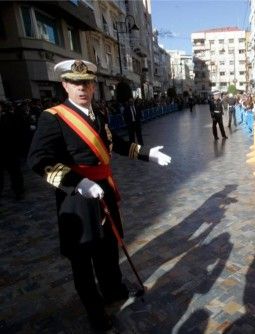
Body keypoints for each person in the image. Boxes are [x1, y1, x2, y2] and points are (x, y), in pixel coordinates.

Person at [28, 59, 172, 331]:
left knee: (108, 246)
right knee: (83, 257)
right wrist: (76, 182)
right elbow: (37, 160)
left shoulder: (99, 113)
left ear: (93, 85)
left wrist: (147, 153)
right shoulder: (53, 117)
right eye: (74, 83)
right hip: (76, 196)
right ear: (65, 85)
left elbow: (114, 144)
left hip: (104, 187)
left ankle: (114, 291)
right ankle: (95, 313)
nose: (81, 88)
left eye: (86, 83)